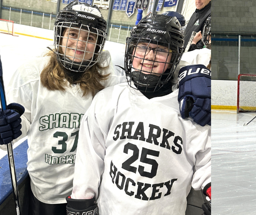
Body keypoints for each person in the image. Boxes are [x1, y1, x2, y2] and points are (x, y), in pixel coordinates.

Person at [68, 13, 211, 215]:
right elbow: (90, 160)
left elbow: (207, 161)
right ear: (131, 49)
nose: (149, 57)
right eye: (143, 47)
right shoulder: (108, 100)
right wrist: (82, 201)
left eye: (160, 50)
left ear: (173, 58)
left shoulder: (188, 107)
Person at [0, 3, 121, 214]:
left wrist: (188, 75)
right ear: (60, 35)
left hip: (89, 192)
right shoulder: (30, 74)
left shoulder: (110, 82)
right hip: (45, 191)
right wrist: (6, 129)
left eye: (90, 38)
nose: (80, 43)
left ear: (99, 43)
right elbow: (17, 129)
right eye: (73, 34)